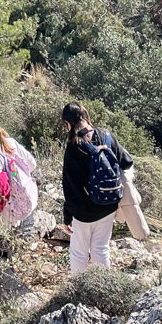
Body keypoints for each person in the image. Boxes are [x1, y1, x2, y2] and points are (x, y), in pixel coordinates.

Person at [60, 101, 132, 275]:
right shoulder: (106, 136)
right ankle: (103, 287)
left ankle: (78, 293)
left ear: (67, 124)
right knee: (101, 249)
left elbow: (70, 187)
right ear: (86, 117)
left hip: (84, 212)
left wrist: (67, 216)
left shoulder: (73, 146)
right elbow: (127, 161)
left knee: (79, 253)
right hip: (108, 205)